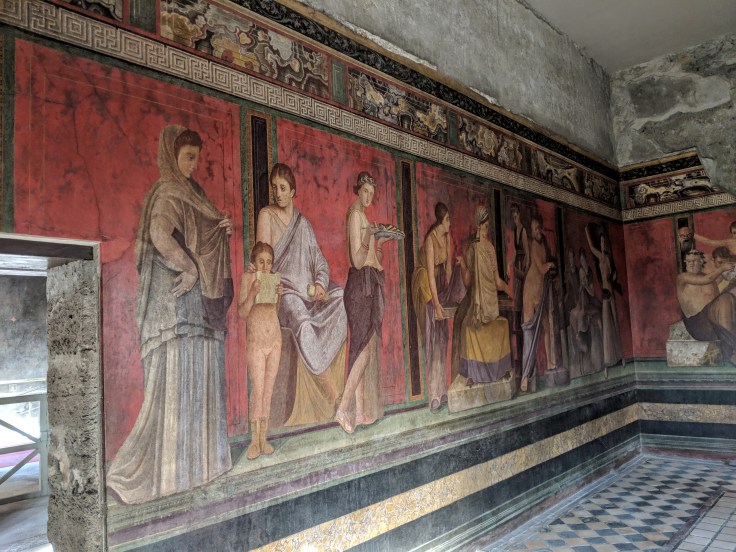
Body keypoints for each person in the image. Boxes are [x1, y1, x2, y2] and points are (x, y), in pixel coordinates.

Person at [107, 125, 233, 504]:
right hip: (176, 303)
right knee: (178, 381)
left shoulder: (194, 193)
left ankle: (200, 466)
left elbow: (201, 234)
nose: (194, 165)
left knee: (198, 374)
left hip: (197, 306)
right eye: (188, 157)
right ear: (172, 155)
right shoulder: (168, 192)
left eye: (197, 158)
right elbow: (160, 236)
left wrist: (220, 229)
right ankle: (166, 474)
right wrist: (190, 268)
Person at [256, 163, 347, 425]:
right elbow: (263, 263)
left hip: (309, 295)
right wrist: (268, 307)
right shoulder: (266, 216)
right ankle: (336, 398)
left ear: (293, 191)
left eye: (283, 188)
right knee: (304, 323)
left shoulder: (303, 224)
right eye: (274, 188)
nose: (278, 193)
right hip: (284, 295)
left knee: (342, 299)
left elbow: (320, 261)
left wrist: (320, 284)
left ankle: (332, 385)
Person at [335, 172, 394, 432]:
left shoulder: (364, 217)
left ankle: (358, 413)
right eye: (365, 191)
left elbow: (373, 261)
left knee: (363, 350)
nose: (368, 197)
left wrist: (379, 242)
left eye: (372, 193)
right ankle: (342, 409)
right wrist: (370, 234)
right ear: (358, 190)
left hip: (368, 285)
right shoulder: (355, 216)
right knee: (363, 351)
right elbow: (358, 262)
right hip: (360, 287)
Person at [411, 202, 463, 410]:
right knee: (433, 339)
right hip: (425, 286)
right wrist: (437, 304)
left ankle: (442, 391)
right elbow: (431, 277)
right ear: (441, 221)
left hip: (439, 285)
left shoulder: (446, 237)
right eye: (448, 220)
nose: (450, 223)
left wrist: (448, 296)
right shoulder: (430, 239)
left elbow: (447, 269)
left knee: (442, 338)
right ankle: (433, 393)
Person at [454, 205, 512, 385]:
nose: (486, 230)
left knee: (467, 325)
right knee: (489, 325)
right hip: (489, 308)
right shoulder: (487, 248)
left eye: (486, 227)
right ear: (482, 225)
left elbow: (468, 283)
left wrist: (463, 265)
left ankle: (474, 374)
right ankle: (498, 371)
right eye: (486, 226)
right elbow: (497, 282)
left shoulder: (475, 249)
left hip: (481, 307)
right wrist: (510, 290)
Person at [239, 242, 283, 459]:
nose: (266, 266)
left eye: (269, 262)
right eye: (261, 262)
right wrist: (252, 293)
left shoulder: (273, 280)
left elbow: (275, 311)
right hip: (256, 342)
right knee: (257, 390)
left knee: (268, 390)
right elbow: (242, 313)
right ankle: (254, 442)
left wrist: (279, 296)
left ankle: (263, 439)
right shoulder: (248, 279)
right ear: (254, 262)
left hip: (274, 341)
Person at [677, 250, 736, 361]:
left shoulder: (712, 279)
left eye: (695, 261)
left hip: (712, 322)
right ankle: (729, 347)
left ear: (701, 262)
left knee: (728, 299)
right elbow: (706, 279)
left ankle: (728, 348)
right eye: (688, 261)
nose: (691, 264)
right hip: (697, 323)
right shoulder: (682, 278)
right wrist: (722, 268)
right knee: (726, 298)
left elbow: (721, 282)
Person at [520, 216, 556, 392]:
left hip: (540, 294)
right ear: (531, 232)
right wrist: (550, 264)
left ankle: (550, 362)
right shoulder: (534, 245)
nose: (538, 231)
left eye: (539, 228)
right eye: (535, 229)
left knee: (547, 327)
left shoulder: (543, 245)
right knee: (529, 334)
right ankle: (525, 378)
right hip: (530, 294)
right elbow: (541, 268)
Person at [585, 224, 622, 368]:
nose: (602, 244)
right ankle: (609, 359)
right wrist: (587, 231)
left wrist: (613, 276)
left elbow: (613, 276)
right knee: (607, 324)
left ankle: (618, 356)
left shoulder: (607, 258)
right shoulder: (600, 256)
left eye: (604, 242)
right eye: (601, 242)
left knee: (614, 323)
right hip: (606, 292)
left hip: (610, 290)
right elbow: (591, 246)